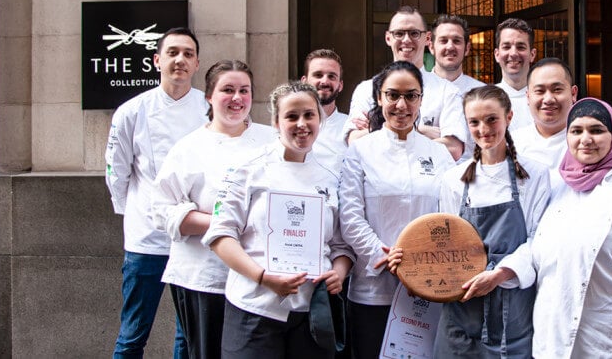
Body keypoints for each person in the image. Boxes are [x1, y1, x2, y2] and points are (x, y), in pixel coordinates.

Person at [494, 98, 612, 358]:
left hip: (610, 337)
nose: (585, 139)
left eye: (596, 130)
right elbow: (537, 246)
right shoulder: (556, 185)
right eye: (576, 131)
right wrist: (502, 272)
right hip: (553, 334)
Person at [385, 86, 551, 358]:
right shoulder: (454, 180)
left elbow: (539, 241)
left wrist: (500, 274)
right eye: (474, 122)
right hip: (460, 310)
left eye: (491, 119)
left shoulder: (534, 175)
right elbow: (442, 245)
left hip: (511, 310)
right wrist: (408, 262)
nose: (483, 129)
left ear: (508, 117)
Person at [205, 83, 355, 358]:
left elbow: (341, 244)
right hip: (254, 306)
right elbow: (220, 236)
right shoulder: (247, 169)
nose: (302, 124)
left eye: (309, 115)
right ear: (276, 122)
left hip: (312, 311)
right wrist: (263, 277)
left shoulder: (332, 177)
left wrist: (339, 273)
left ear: (320, 119)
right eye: (291, 116)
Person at [150, 60, 276, 359]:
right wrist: (221, 223)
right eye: (227, 90)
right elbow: (161, 210)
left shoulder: (271, 141)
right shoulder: (189, 147)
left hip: (262, 278)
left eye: (244, 90)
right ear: (209, 96)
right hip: (205, 277)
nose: (237, 98)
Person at [337, 61, 456, 358]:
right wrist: (383, 254)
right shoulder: (360, 151)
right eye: (392, 95)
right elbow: (350, 216)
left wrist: (423, 266)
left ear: (421, 99)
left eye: (411, 96)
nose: (401, 105)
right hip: (373, 288)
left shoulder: (439, 154)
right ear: (379, 98)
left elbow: (452, 215)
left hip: (428, 288)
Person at [105, 27, 205, 359]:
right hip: (145, 239)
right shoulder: (132, 111)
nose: (180, 60)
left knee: (187, 337)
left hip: (193, 240)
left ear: (197, 63)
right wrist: (133, 212)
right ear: (156, 60)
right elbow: (116, 171)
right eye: (173, 53)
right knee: (133, 334)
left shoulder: (208, 109)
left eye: (188, 54)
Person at [348, 6, 467, 159]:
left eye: (414, 33)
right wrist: (420, 131)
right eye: (399, 33)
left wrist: (375, 130)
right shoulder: (365, 89)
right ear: (388, 38)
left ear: (427, 39)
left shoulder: (448, 91)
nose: (406, 40)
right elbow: (354, 141)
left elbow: (453, 148)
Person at [511, 57, 576, 170]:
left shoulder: (587, 142)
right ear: (528, 97)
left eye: (557, 89)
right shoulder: (513, 143)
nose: (548, 99)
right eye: (540, 91)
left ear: (573, 93)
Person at [300, 49, 350, 162]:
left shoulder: (350, 127)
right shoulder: (289, 125)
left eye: (332, 76)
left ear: (340, 85)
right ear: (304, 81)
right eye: (318, 75)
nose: (325, 82)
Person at [492, 18, 538, 131]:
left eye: (520, 47)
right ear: (497, 54)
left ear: (532, 54)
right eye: (506, 47)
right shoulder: (484, 98)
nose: (513, 53)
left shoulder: (545, 100)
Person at [430, 14, 487, 93]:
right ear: (431, 47)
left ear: (467, 48)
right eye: (443, 41)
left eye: (456, 41)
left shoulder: (482, 93)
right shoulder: (415, 90)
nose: (450, 47)